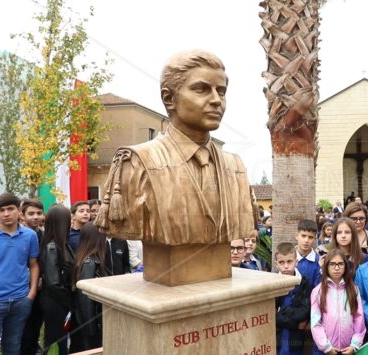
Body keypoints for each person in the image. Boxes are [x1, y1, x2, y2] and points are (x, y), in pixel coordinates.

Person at [94, 50, 254, 285]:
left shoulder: (235, 167)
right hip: (165, 274)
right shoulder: (137, 162)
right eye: (201, 89)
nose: (216, 100)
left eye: (221, 91)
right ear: (169, 98)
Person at [0, 193, 40, 355]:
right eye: (1, 210)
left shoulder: (30, 236)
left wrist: (31, 293)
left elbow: (33, 265)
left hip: (20, 301)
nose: (6, 214)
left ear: (19, 210)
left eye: (10, 209)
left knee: (12, 349)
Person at [311, 248, 366, 354]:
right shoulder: (318, 291)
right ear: (326, 266)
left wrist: (354, 345)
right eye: (332, 264)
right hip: (326, 349)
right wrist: (326, 347)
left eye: (340, 264)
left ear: (345, 266)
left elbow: (358, 318)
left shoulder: (353, 289)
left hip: (348, 348)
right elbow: (315, 322)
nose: (336, 268)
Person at [38, 205, 75, 355]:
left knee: (59, 340)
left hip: (58, 300)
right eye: (68, 220)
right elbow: (53, 282)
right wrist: (69, 301)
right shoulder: (52, 247)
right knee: (54, 339)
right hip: (55, 301)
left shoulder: (62, 244)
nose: (71, 223)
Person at [69, 222, 107, 353]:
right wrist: (90, 328)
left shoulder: (84, 259)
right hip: (91, 322)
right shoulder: (90, 264)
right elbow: (85, 299)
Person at [274, 242, 313, 355]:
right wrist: (296, 324)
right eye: (282, 262)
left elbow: (304, 312)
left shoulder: (304, 282)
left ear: (296, 262)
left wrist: (283, 310)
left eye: (289, 261)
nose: (286, 266)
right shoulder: (272, 283)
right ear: (276, 264)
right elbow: (272, 313)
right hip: (278, 337)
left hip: (296, 340)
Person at [19, 198, 45, 355]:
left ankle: (33, 347)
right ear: (22, 215)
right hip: (21, 288)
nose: (35, 217)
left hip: (41, 288)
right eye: (31, 213)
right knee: (23, 327)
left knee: (36, 323)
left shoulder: (45, 236)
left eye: (39, 213)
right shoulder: (18, 235)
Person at [294, 219, 320, 286]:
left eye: (310, 237)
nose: (306, 240)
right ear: (297, 236)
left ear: (315, 239)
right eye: (303, 236)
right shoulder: (288, 258)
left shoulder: (319, 261)